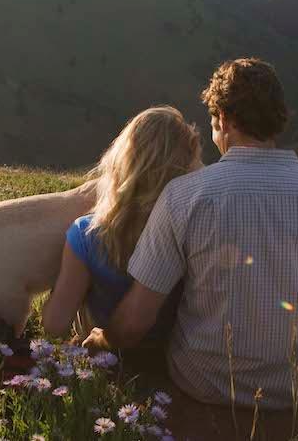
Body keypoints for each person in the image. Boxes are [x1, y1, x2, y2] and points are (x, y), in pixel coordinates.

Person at [84, 58, 298, 440]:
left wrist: (101, 338)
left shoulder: (184, 198)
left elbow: (137, 319)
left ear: (224, 119)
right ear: (278, 119)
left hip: (207, 391)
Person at [42, 106, 200, 344]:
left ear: (122, 159)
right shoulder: (193, 230)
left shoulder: (86, 233)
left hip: (102, 351)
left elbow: (55, 324)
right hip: (170, 356)